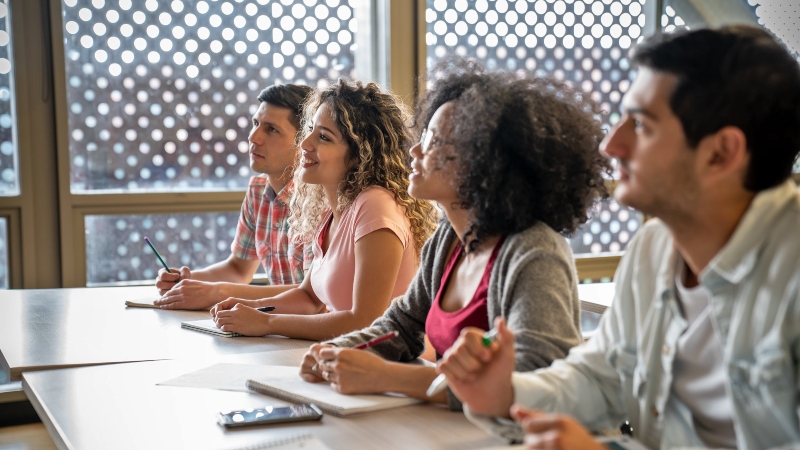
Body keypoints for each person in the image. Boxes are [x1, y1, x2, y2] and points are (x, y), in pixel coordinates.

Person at [439, 25, 800, 449]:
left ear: (721, 153)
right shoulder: (654, 248)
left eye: (642, 125)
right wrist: (505, 395)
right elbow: (600, 377)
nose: (612, 144)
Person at [297, 60, 611, 410]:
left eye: (434, 142)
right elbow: (401, 326)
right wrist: (336, 352)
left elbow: (533, 379)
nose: (415, 151)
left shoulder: (534, 251)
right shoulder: (449, 239)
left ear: (483, 163)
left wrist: (386, 377)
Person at [209, 79, 438, 340]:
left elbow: (366, 322)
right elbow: (308, 297)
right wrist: (247, 308)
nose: (304, 143)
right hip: (351, 358)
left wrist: (267, 322)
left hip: (391, 365)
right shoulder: (334, 208)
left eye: (324, 137)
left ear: (360, 154)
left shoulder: (375, 205)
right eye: (310, 129)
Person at [153, 84, 312, 310]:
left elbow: (312, 295)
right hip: (280, 328)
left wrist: (217, 291)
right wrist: (187, 281)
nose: (253, 137)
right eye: (256, 124)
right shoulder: (258, 191)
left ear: (304, 143)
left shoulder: (320, 201)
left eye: (272, 130)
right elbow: (238, 269)